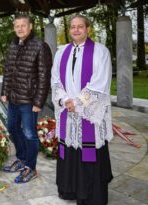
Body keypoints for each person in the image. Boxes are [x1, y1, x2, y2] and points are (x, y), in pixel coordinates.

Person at [51, 14, 113, 205]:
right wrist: (63, 100)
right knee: (70, 148)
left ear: (88, 29)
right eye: (72, 27)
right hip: (69, 112)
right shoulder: (61, 52)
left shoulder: (100, 52)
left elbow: (99, 84)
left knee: (90, 149)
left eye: (80, 27)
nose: (76, 30)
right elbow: (55, 80)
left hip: (88, 112)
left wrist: (76, 102)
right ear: (69, 30)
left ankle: (92, 196)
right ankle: (70, 190)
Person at [1, 14, 52, 183]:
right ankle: (22, 159)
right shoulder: (13, 46)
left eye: (23, 25)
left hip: (30, 101)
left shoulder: (40, 46)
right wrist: (4, 91)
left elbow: (44, 77)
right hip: (14, 98)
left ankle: (31, 167)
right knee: (13, 128)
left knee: (29, 134)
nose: (20, 29)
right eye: (17, 26)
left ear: (30, 27)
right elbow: (7, 71)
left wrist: (39, 102)